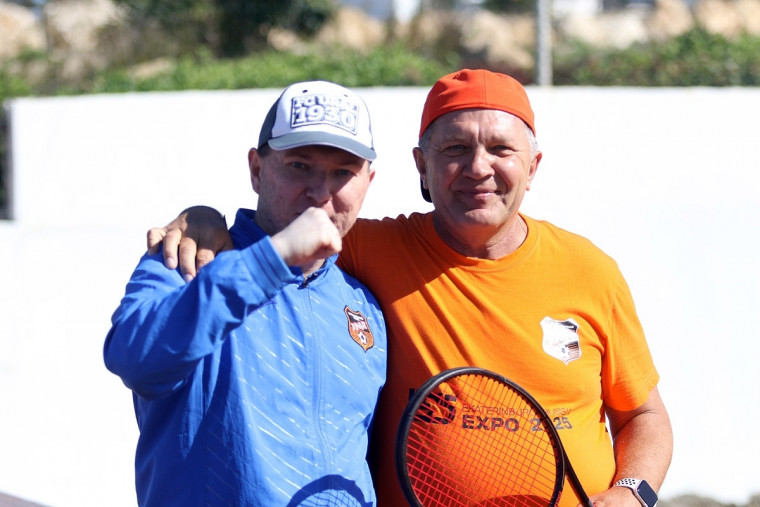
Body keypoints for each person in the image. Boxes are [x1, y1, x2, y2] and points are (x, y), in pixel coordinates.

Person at [148, 69, 673, 506]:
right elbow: (279, 224)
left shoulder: (591, 270)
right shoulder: (360, 248)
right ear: (422, 164)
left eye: (501, 149)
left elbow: (645, 415)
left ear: (532, 167)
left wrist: (632, 493)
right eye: (456, 148)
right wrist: (202, 218)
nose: (479, 168)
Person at [104, 80, 387, 506]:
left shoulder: (365, 307)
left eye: (343, 172)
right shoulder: (187, 258)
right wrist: (273, 259)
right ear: (257, 170)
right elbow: (134, 357)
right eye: (299, 166)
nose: (320, 192)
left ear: (368, 181)